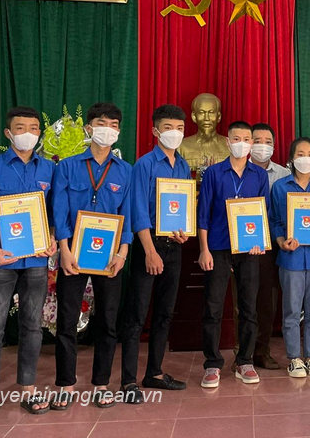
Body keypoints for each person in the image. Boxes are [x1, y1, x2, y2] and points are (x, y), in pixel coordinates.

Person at [0, 106, 57, 421]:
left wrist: (52, 237)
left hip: (35, 260)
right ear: (8, 133)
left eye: (33, 128)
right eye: (20, 128)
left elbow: (53, 211)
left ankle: (28, 389)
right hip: (0, 261)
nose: (27, 134)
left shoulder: (49, 169)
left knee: (32, 326)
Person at [51, 103, 132, 409]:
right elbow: (59, 211)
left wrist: (122, 253)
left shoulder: (125, 170)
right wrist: (64, 249)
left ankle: (101, 384)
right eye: (101, 123)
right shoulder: (68, 167)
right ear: (88, 127)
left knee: (108, 321)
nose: (107, 129)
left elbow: (128, 214)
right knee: (67, 319)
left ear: (119, 132)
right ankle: (65, 384)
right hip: (73, 251)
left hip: (109, 254)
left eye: (113, 125)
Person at [119, 104, 191, 404]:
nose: (175, 133)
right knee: (137, 315)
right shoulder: (144, 165)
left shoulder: (182, 166)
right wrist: (149, 250)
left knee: (165, 313)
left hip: (174, 247)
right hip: (148, 246)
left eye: (180, 129)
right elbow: (137, 210)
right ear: (155, 131)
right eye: (168, 128)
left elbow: (180, 208)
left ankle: (155, 373)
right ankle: (128, 381)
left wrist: (183, 231)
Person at [197, 121, 270, 388]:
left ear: (251, 143)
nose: (242, 143)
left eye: (246, 139)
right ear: (228, 142)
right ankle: (212, 363)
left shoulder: (259, 175)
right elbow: (203, 214)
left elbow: (263, 211)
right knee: (213, 306)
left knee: (249, 306)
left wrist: (259, 241)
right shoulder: (214, 173)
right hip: (217, 247)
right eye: (236, 138)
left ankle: (244, 361)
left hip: (248, 248)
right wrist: (204, 249)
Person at [269, 137, 310, 378]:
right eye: (300, 154)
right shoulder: (280, 187)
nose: (305, 158)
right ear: (291, 158)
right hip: (291, 258)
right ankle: (294, 358)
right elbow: (275, 222)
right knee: (291, 311)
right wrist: (281, 242)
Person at [249, 122, 292, 370]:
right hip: (244, 243)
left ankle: (262, 351)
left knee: (267, 300)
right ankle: (243, 353)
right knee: (243, 301)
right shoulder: (238, 170)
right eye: (257, 141)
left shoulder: (284, 175)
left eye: (268, 142)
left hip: (273, 243)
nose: (262, 146)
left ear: (275, 146)